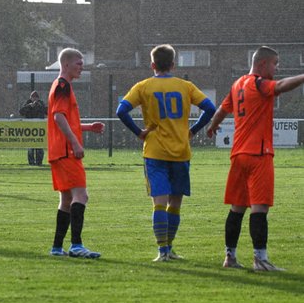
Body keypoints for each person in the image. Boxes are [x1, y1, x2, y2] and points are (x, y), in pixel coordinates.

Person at [207, 46, 304, 271]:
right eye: (274, 64)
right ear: (262, 64)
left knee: (237, 208)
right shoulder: (259, 84)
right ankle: (260, 259)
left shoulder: (237, 85)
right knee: (259, 208)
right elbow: (281, 86)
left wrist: (213, 126)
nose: (276, 68)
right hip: (259, 154)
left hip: (239, 154)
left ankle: (230, 257)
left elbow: (221, 110)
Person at [116, 44, 216, 262]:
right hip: (181, 152)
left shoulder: (143, 86)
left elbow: (121, 110)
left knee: (159, 203)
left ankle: (162, 251)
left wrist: (139, 132)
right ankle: (169, 248)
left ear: (152, 65)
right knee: (175, 204)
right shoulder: (186, 86)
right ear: (173, 64)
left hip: (155, 152)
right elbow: (210, 108)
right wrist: (193, 130)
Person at [47, 48, 105, 259]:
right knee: (81, 195)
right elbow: (58, 117)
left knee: (66, 200)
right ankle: (76, 245)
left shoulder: (59, 85)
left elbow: (64, 120)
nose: (82, 67)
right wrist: (75, 144)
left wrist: (88, 127)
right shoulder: (63, 85)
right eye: (78, 63)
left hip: (58, 151)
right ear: (66, 64)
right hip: (67, 151)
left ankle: (56, 247)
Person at [19, 90, 47, 165]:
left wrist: (40, 106)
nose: (34, 99)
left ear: (38, 98)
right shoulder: (27, 104)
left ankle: (39, 162)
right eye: (33, 97)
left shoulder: (41, 104)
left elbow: (47, 112)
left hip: (39, 129)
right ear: (30, 98)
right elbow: (21, 112)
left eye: (36, 97)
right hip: (30, 129)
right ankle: (31, 162)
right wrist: (29, 106)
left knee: (39, 146)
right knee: (30, 147)